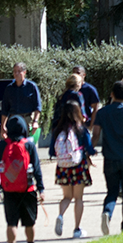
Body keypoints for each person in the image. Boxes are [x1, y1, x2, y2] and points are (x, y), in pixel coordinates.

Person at [91, 80, 123, 235]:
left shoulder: (102, 113)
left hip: (109, 157)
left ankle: (107, 211)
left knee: (112, 191)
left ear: (112, 94)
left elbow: (95, 135)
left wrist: (89, 152)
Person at [0, 115, 43, 243]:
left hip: (9, 189)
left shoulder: (2, 145)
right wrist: (41, 188)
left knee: (11, 223)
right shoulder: (29, 145)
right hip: (28, 188)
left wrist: (0, 184)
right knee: (29, 223)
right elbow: (36, 168)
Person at [50, 101, 93, 238]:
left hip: (63, 167)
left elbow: (52, 150)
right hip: (78, 166)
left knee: (67, 197)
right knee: (78, 198)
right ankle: (77, 229)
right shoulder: (81, 129)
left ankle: (61, 215)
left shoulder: (57, 130)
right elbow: (90, 148)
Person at [0, 63, 42, 146]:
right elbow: (5, 109)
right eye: (15, 71)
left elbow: (38, 107)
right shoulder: (9, 89)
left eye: (19, 71)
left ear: (24, 72)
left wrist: (35, 121)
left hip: (27, 120)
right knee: (13, 146)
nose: (16, 74)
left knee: (29, 147)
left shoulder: (31, 87)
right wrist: (3, 126)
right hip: (13, 121)